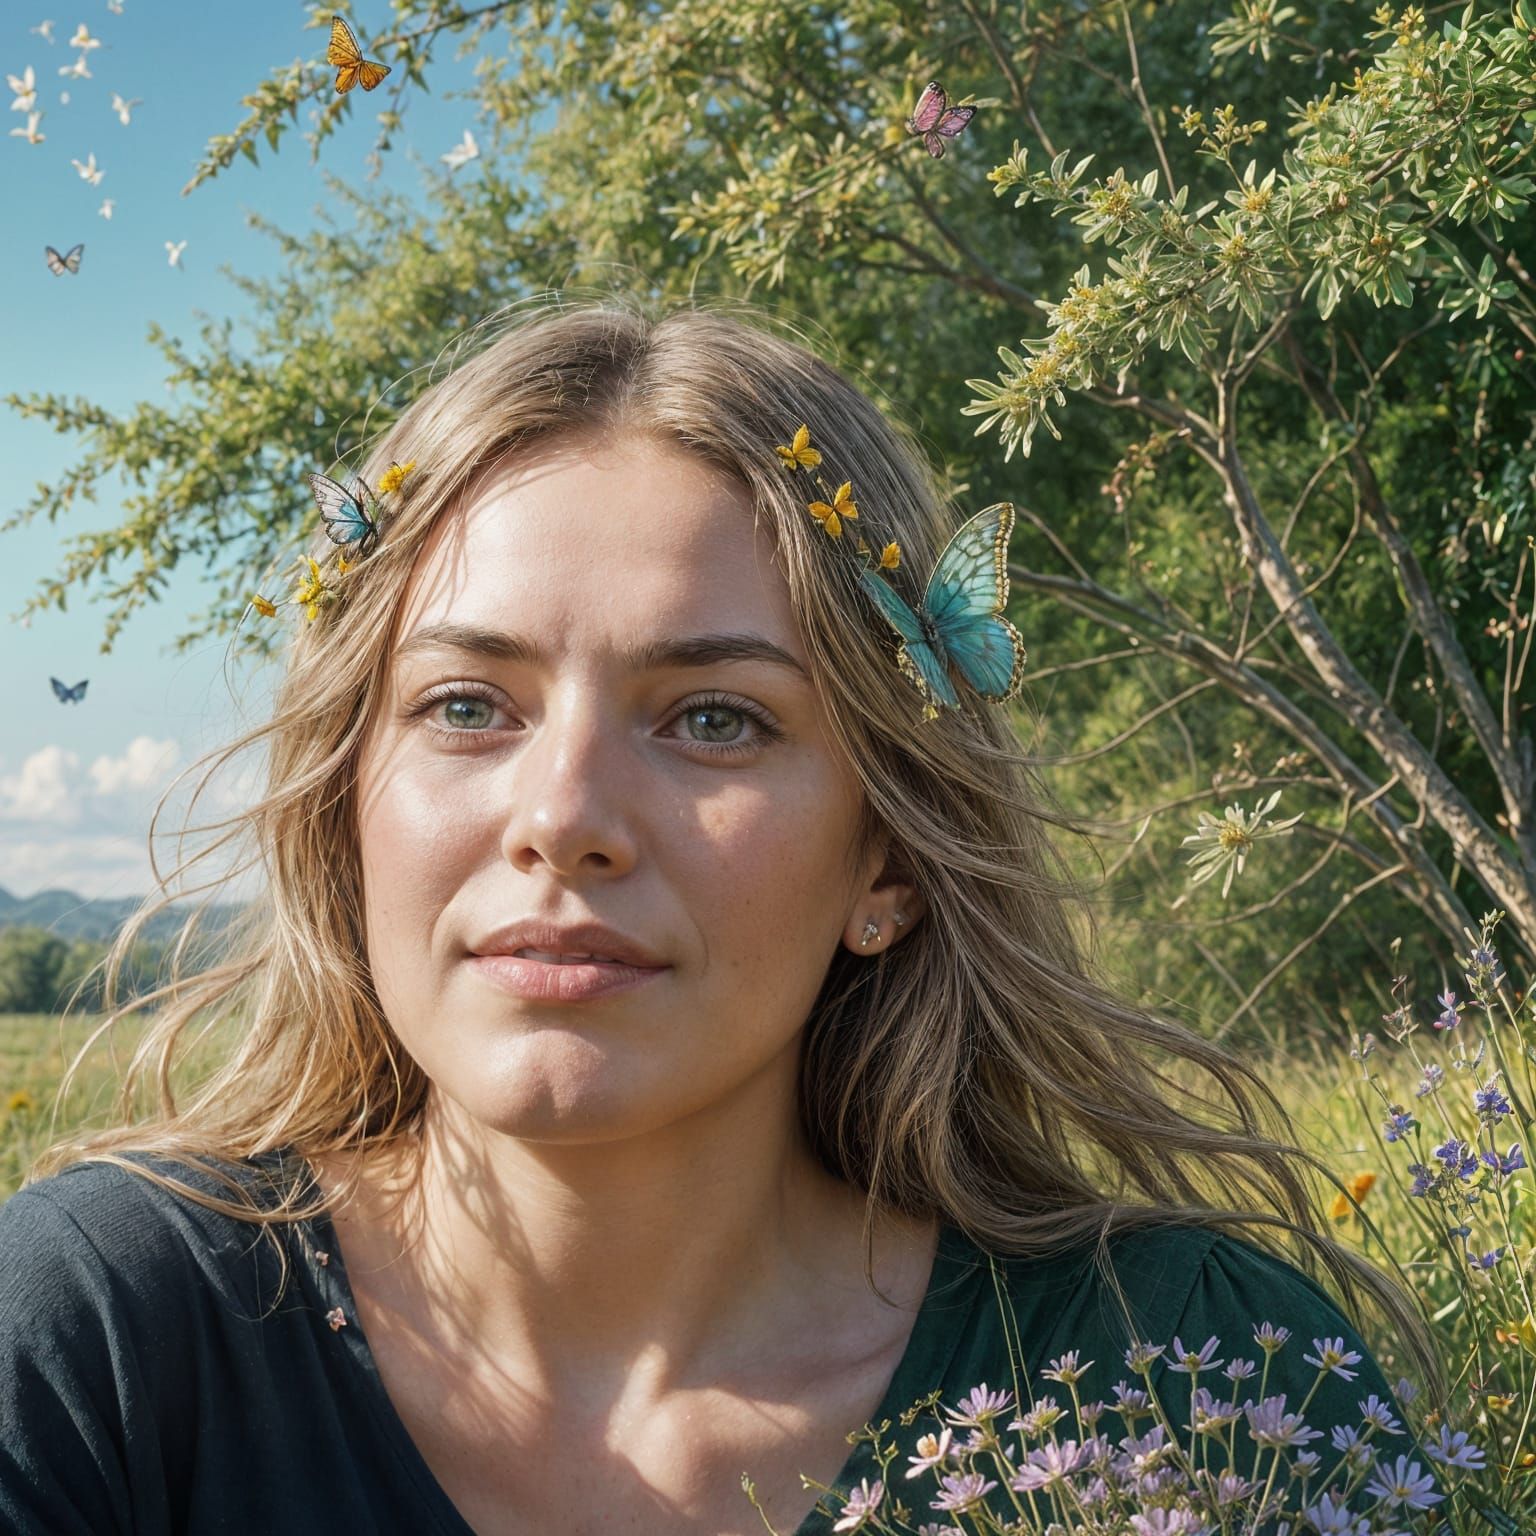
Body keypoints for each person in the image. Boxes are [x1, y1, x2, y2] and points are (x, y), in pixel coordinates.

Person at [0, 296, 1445, 1536]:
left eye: (712, 719)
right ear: (345, 808)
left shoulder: (1188, 1375)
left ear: (885, 859)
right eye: (464, 705)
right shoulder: (96, 1344)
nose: (563, 813)